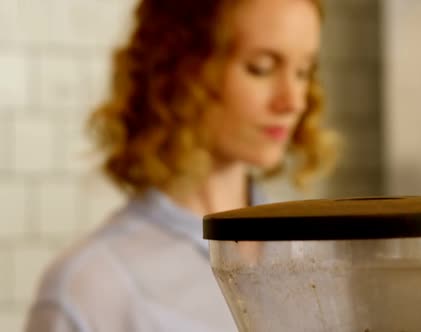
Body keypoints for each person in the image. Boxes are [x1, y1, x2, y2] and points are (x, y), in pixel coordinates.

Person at [24, 0, 337, 331]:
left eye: (303, 71)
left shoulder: (321, 256)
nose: (293, 101)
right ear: (181, 67)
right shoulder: (89, 288)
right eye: (260, 67)